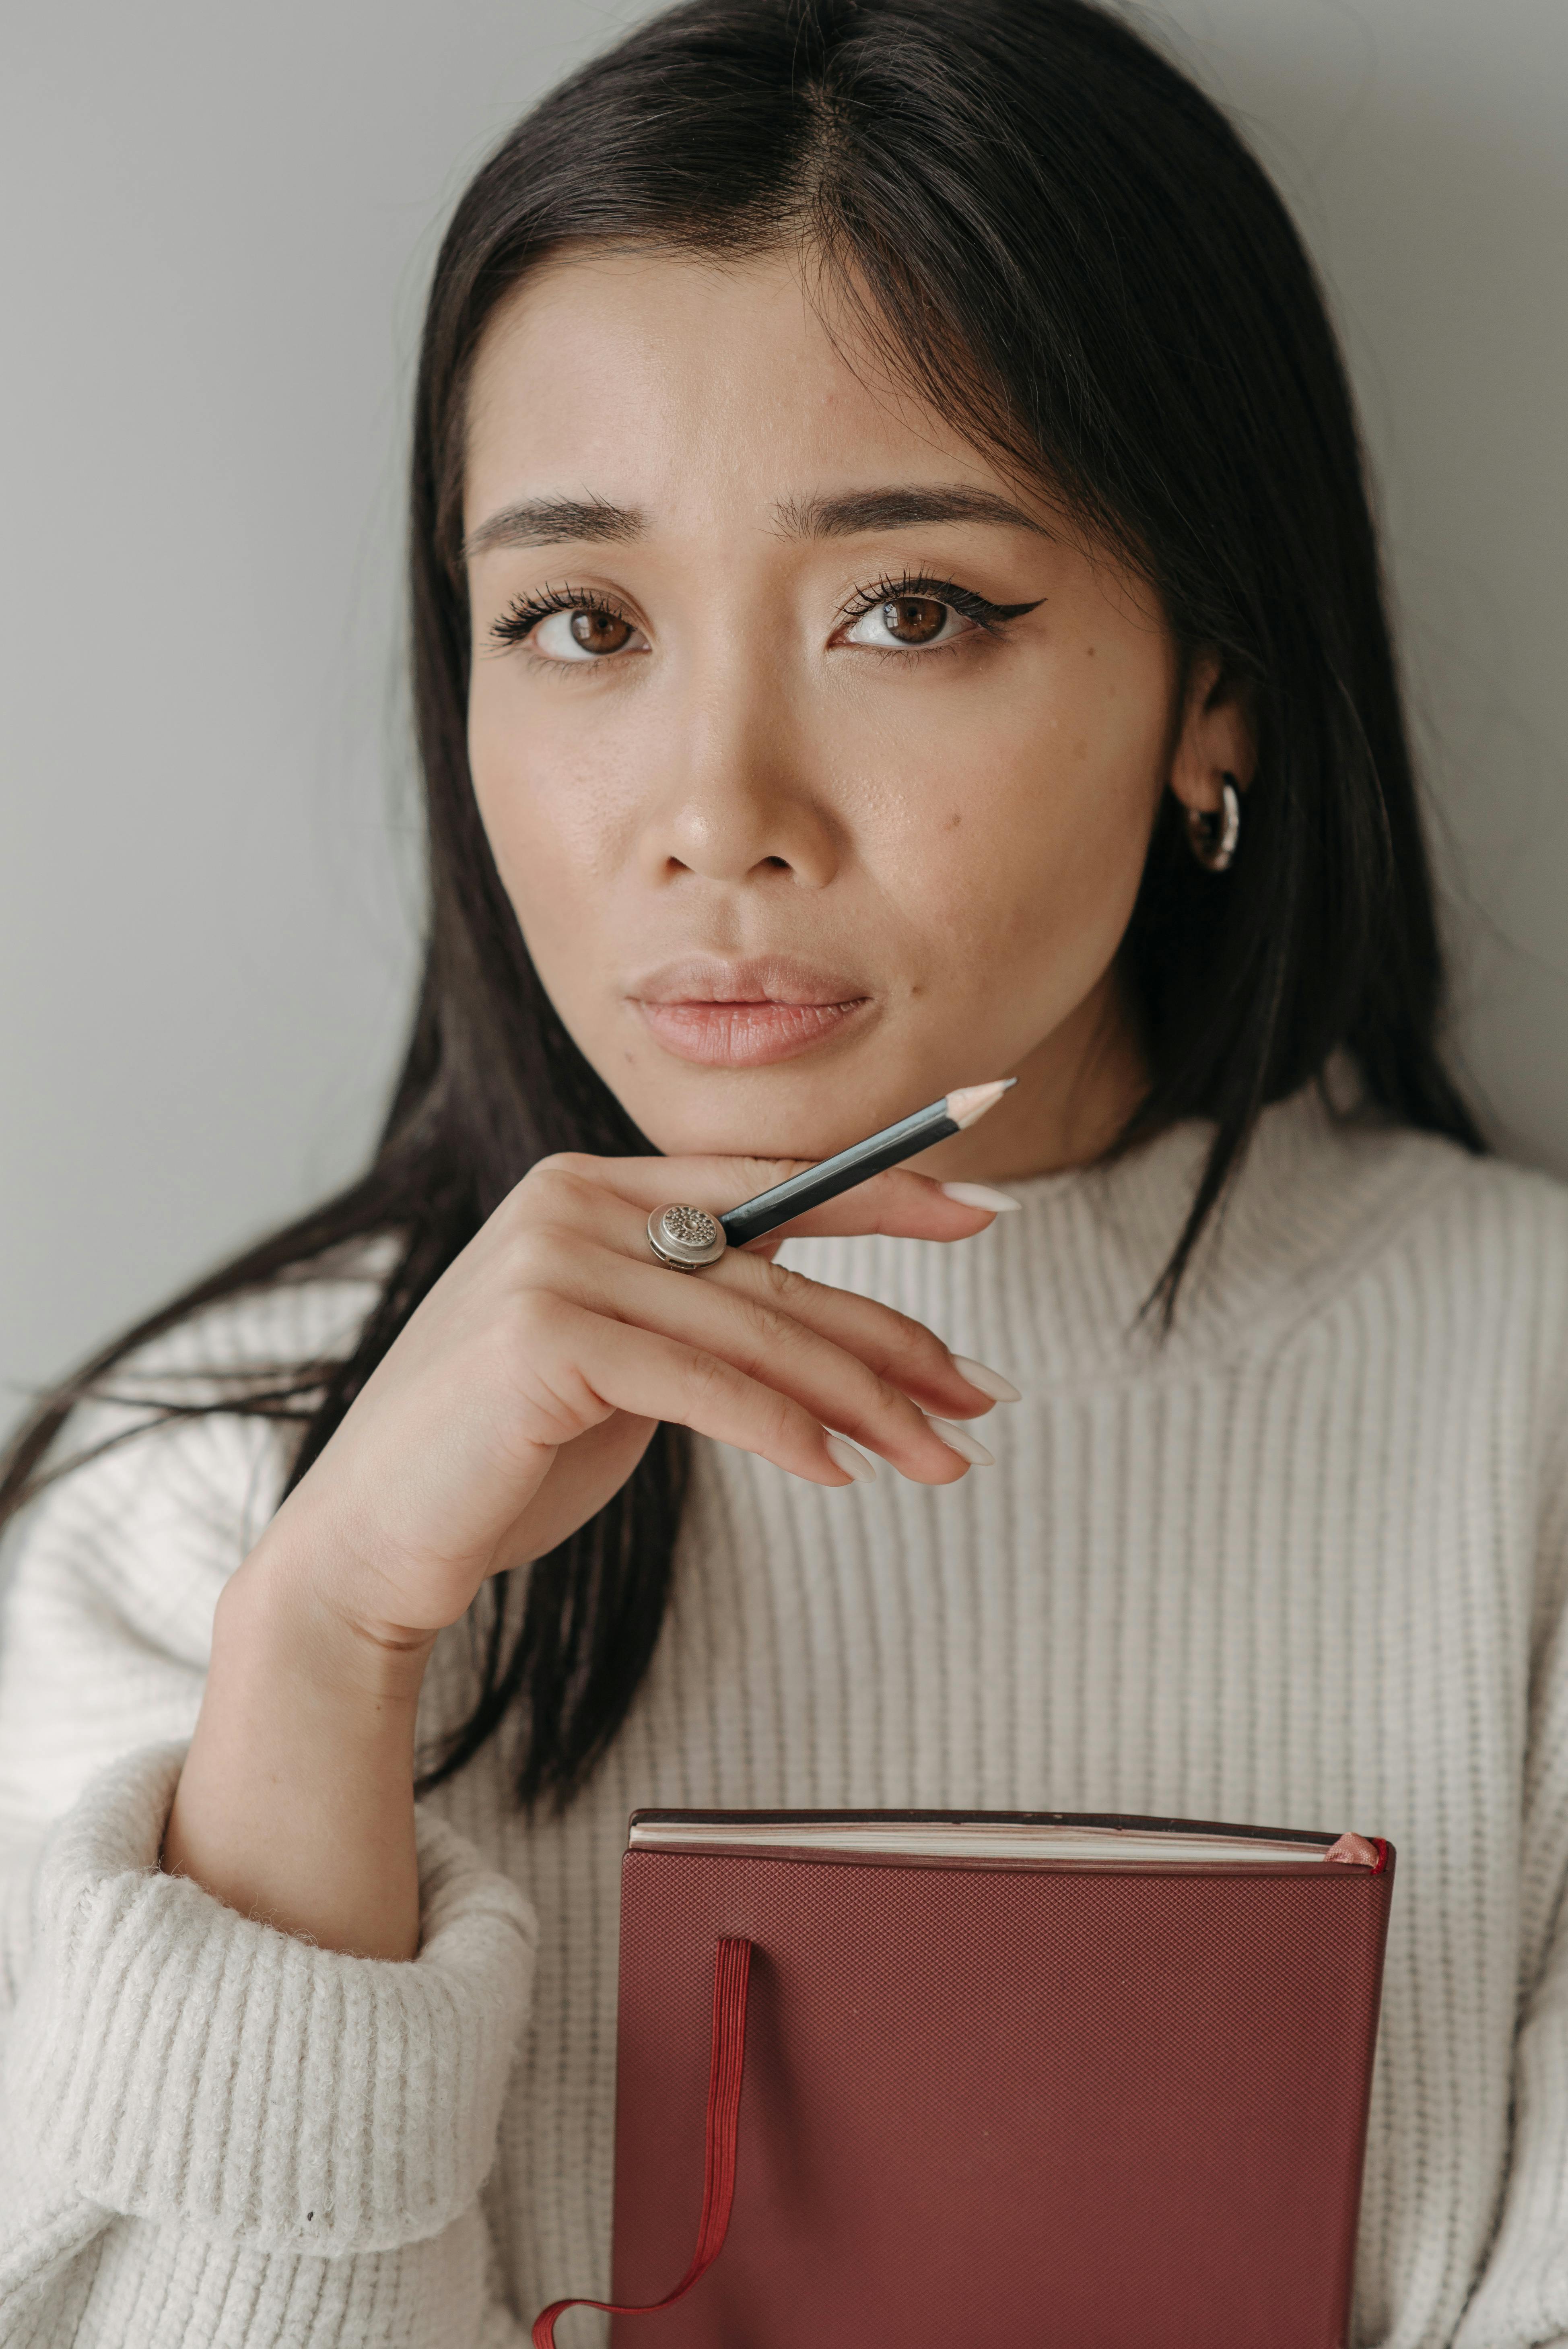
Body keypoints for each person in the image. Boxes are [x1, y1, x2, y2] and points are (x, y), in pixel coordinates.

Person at [1, 0, 1564, 2341]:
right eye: (578, 623)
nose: (714, 803)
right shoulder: (207, 1509)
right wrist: (319, 1673)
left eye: (909, 611)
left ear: (1213, 681)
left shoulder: (1535, 1414)